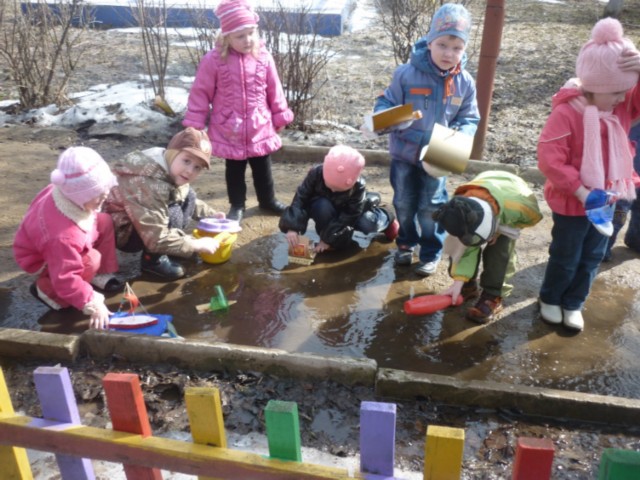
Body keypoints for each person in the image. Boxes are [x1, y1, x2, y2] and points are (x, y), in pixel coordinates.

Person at [537, 18, 640, 331]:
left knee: (592, 256)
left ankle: (574, 302)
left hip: (606, 200)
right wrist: (582, 191)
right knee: (566, 254)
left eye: (627, 90)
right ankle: (551, 298)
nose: (624, 98)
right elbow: (550, 159)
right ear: (596, 87)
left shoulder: (620, 107)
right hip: (572, 201)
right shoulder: (566, 113)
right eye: (618, 92)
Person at [371, 3, 480, 277]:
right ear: (430, 42)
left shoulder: (465, 82)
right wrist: (383, 116)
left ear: (464, 50)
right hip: (404, 154)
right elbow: (386, 102)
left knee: (432, 206)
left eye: (457, 48)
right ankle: (406, 243)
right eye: (442, 44)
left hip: (438, 157)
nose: (449, 53)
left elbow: (469, 118)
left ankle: (430, 252)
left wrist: (457, 138)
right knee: (405, 203)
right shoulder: (406, 74)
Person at [182, 0, 293, 224]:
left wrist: (280, 115)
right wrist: (195, 121)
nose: (247, 40)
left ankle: (267, 200)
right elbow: (200, 92)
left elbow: (275, 89)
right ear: (226, 37)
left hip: (259, 124)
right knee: (234, 170)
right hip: (228, 128)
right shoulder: (213, 60)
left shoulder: (264, 57)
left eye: (251, 33)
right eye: (240, 36)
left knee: (263, 167)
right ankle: (237, 205)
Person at [13, 147, 120, 330]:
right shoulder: (62, 237)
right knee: (90, 260)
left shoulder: (66, 192)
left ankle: (100, 275)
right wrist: (93, 303)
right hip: (43, 254)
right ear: (79, 196)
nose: (105, 196)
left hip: (62, 239)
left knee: (105, 221)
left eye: (105, 190)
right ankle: (48, 292)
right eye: (98, 195)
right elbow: (65, 277)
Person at [104, 128, 227, 280]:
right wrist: (195, 245)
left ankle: (174, 247)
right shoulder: (147, 182)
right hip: (123, 231)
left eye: (197, 167)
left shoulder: (169, 169)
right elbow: (156, 238)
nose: (189, 171)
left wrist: (211, 215)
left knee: (189, 195)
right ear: (172, 153)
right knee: (174, 213)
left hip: (144, 221)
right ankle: (152, 261)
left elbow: (183, 195)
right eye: (186, 161)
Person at [432, 171, 542, 323]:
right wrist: (459, 279)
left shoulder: (523, 207)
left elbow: (532, 219)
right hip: (486, 186)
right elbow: (464, 246)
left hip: (510, 206)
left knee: (500, 253)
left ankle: (493, 294)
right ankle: (467, 285)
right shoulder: (458, 205)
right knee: (458, 245)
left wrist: (498, 229)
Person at [279, 145, 399, 254]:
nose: (333, 191)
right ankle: (329, 240)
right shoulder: (315, 174)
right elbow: (300, 199)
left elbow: (350, 216)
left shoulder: (358, 186)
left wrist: (328, 239)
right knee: (321, 206)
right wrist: (292, 227)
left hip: (350, 211)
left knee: (368, 224)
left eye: (339, 189)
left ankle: (386, 217)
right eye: (329, 186)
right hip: (325, 205)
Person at [604, 119, 640, 261]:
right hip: (626, 178)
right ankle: (602, 248)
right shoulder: (630, 118)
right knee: (618, 215)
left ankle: (635, 240)